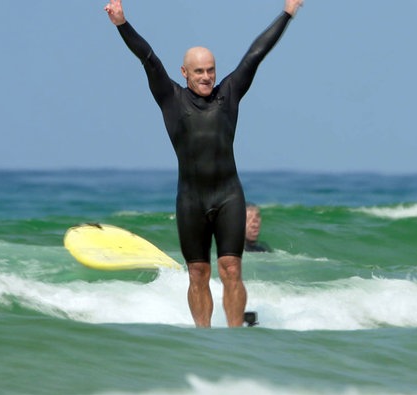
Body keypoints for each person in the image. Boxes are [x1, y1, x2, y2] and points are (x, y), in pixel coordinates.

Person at [104, 0, 304, 328]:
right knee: (198, 272)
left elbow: (256, 53)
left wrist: (288, 12)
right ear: (185, 73)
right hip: (190, 199)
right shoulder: (170, 98)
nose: (207, 76)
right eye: (199, 71)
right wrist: (122, 24)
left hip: (228, 195)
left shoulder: (229, 95)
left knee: (231, 268)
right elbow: (147, 57)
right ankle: (205, 338)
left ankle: (236, 334)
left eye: (211, 69)